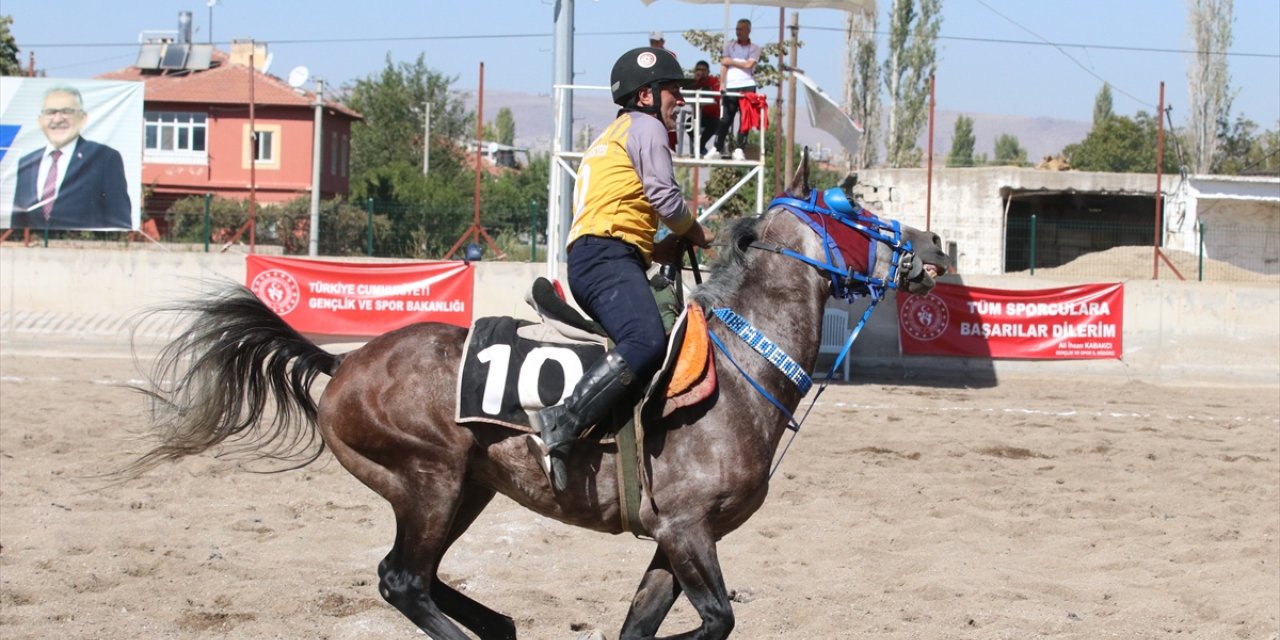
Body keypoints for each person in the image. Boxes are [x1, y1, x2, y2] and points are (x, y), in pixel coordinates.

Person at [529, 47, 714, 492]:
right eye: (673, 90)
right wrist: (697, 232)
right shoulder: (647, 126)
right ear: (647, 95)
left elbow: (624, 212)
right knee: (647, 339)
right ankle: (562, 421)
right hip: (605, 258)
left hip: (607, 255)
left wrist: (662, 250)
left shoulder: (618, 132)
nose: (681, 101)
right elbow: (665, 200)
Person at [11, 85, 132, 231]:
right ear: (40, 121)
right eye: (51, 112)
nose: (58, 119)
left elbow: (120, 221)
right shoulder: (26, 163)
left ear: (83, 119)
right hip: (33, 250)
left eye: (67, 111)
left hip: (84, 251)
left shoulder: (104, 158)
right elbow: (17, 221)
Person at [712, 18, 761, 160]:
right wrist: (722, 83)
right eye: (737, 29)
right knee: (726, 117)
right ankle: (717, 146)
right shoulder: (729, 45)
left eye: (741, 29)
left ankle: (740, 147)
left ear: (748, 30)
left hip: (747, 84)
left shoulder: (755, 48)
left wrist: (732, 61)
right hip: (731, 85)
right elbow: (724, 64)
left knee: (745, 118)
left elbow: (749, 65)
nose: (738, 32)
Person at [690, 60, 721, 157]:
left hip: (712, 116)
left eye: (703, 70)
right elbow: (687, 93)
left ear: (708, 72)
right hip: (698, 116)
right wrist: (695, 82)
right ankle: (700, 148)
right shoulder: (694, 82)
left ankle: (699, 147)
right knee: (688, 126)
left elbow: (717, 97)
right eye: (698, 70)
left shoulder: (714, 81)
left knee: (714, 125)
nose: (701, 72)